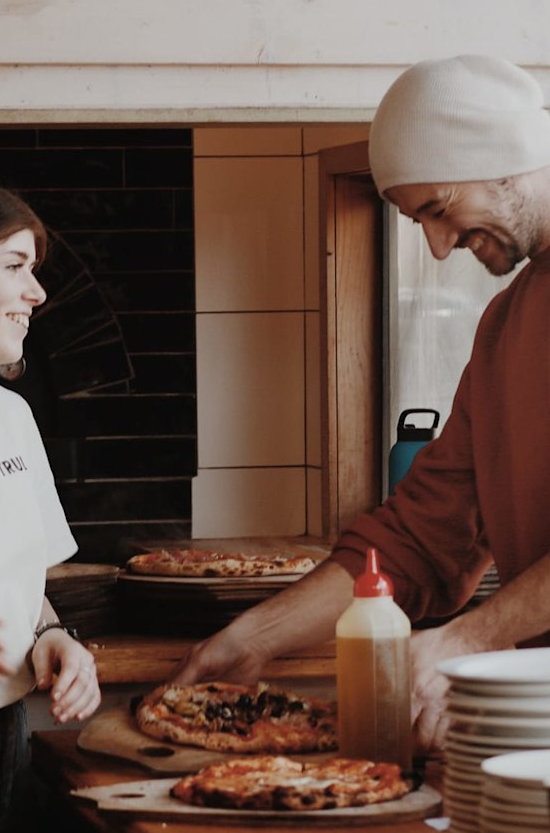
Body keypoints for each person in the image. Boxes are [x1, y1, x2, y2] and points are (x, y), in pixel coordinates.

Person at [170, 54, 550, 754]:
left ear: (508, 158)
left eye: (439, 209)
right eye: (416, 221)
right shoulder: (505, 326)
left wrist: (466, 641)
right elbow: (424, 535)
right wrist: (256, 636)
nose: (439, 247)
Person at [0, 174, 101, 833]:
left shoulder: (10, 416)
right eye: (14, 265)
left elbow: (26, 584)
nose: (38, 293)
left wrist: (54, 636)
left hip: (1, 741)